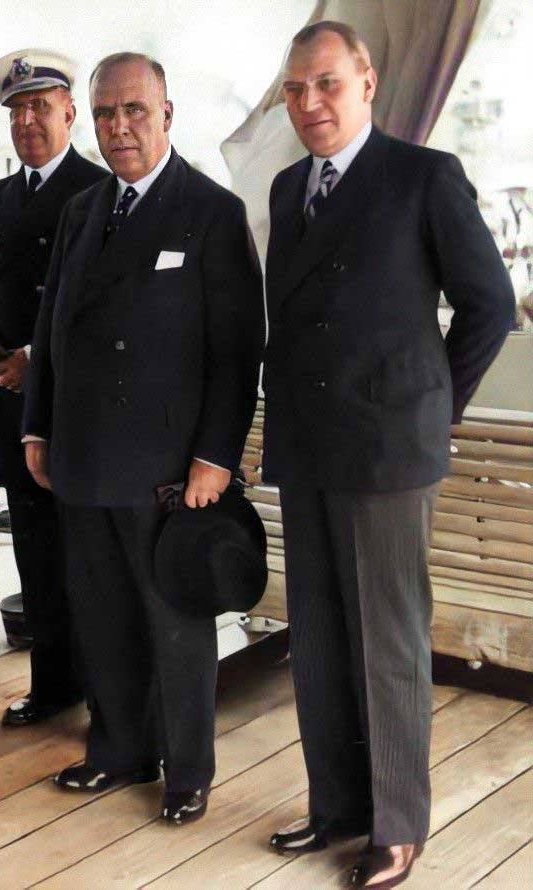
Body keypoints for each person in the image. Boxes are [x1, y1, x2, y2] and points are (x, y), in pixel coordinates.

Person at [263, 23, 513, 887]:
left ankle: (398, 824)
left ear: (366, 81)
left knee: (390, 644)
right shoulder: (289, 187)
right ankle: (336, 806)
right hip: (309, 446)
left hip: (388, 452)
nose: (310, 105)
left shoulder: (423, 176)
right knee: (321, 638)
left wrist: (431, 411)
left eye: (326, 84)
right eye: (296, 90)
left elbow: (488, 306)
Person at [22, 54, 263, 821]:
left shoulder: (212, 211)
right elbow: (51, 328)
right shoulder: (82, 211)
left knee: (176, 622)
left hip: (167, 465)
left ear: (166, 113)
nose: (118, 127)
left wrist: (215, 457)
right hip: (82, 455)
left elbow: (237, 349)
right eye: (104, 114)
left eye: (133, 110)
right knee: (102, 616)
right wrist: (36, 426)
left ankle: (187, 772)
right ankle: (119, 751)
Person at [0, 49, 106, 727]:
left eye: (40, 107)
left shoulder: (101, 192)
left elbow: (101, 307)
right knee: (35, 556)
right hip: (11, 407)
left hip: (78, 412)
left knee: (90, 559)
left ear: (70, 112)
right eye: (16, 111)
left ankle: (108, 696)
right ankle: (52, 687)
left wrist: (31, 357)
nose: (27, 122)